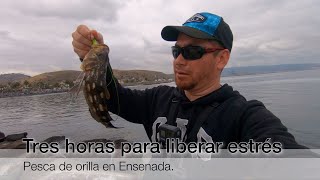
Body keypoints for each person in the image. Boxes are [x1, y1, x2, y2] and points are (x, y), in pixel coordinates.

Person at [72, 12, 306, 149]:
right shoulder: (157, 99)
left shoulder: (244, 115)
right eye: (176, 51)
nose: (179, 60)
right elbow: (113, 100)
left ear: (221, 58)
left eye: (192, 52)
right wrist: (92, 59)